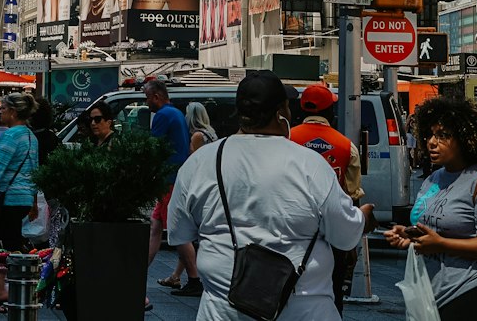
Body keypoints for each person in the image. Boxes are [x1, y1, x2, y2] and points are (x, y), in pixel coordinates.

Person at [169, 71, 373, 321]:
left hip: (223, 309)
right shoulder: (310, 164)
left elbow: (179, 232)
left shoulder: (201, 161)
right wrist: (363, 217)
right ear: (282, 111)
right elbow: (344, 236)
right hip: (304, 308)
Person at [384, 96, 477, 321]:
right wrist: (409, 235)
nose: (432, 142)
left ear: (466, 139)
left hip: (471, 294)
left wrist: (442, 245)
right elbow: (432, 227)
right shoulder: (433, 179)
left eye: (443, 135)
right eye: (430, 134)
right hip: (430, 295)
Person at [290, 84, 364, 313]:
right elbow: (352, 196)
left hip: (290, 230)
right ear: (329, 111)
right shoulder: (346, 146)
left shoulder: (286, 138)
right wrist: (353, 241)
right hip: (332, 236)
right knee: (333, 295)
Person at [0, 94, 39, 311]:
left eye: (4, 108)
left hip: (8, 198)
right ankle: (7, 289)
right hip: (23, 199)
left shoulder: (11, 136)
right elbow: (35, 172)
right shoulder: (32, 137)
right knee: (11, 241)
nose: (0, 111)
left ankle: (4, 289)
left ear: (14, 113)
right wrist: (32, 200)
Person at [145, 81, 200, 296]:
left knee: (176, 231)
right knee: (156, 225)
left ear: (157, 96)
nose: (147, 102)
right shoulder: (176, 113)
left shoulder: (163, 116)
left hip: (169, 179)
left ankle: (194, 279)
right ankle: (142, 269)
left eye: (147, 98)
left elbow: (153, 147)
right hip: (175, 177)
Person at [158, 103, 217, 293]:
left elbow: (194, 160)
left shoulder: (197, 136)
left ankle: (194, 279)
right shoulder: (211, 133)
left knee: (182, 232)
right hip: (210, 184)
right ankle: (176, 276)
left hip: (196, 184)